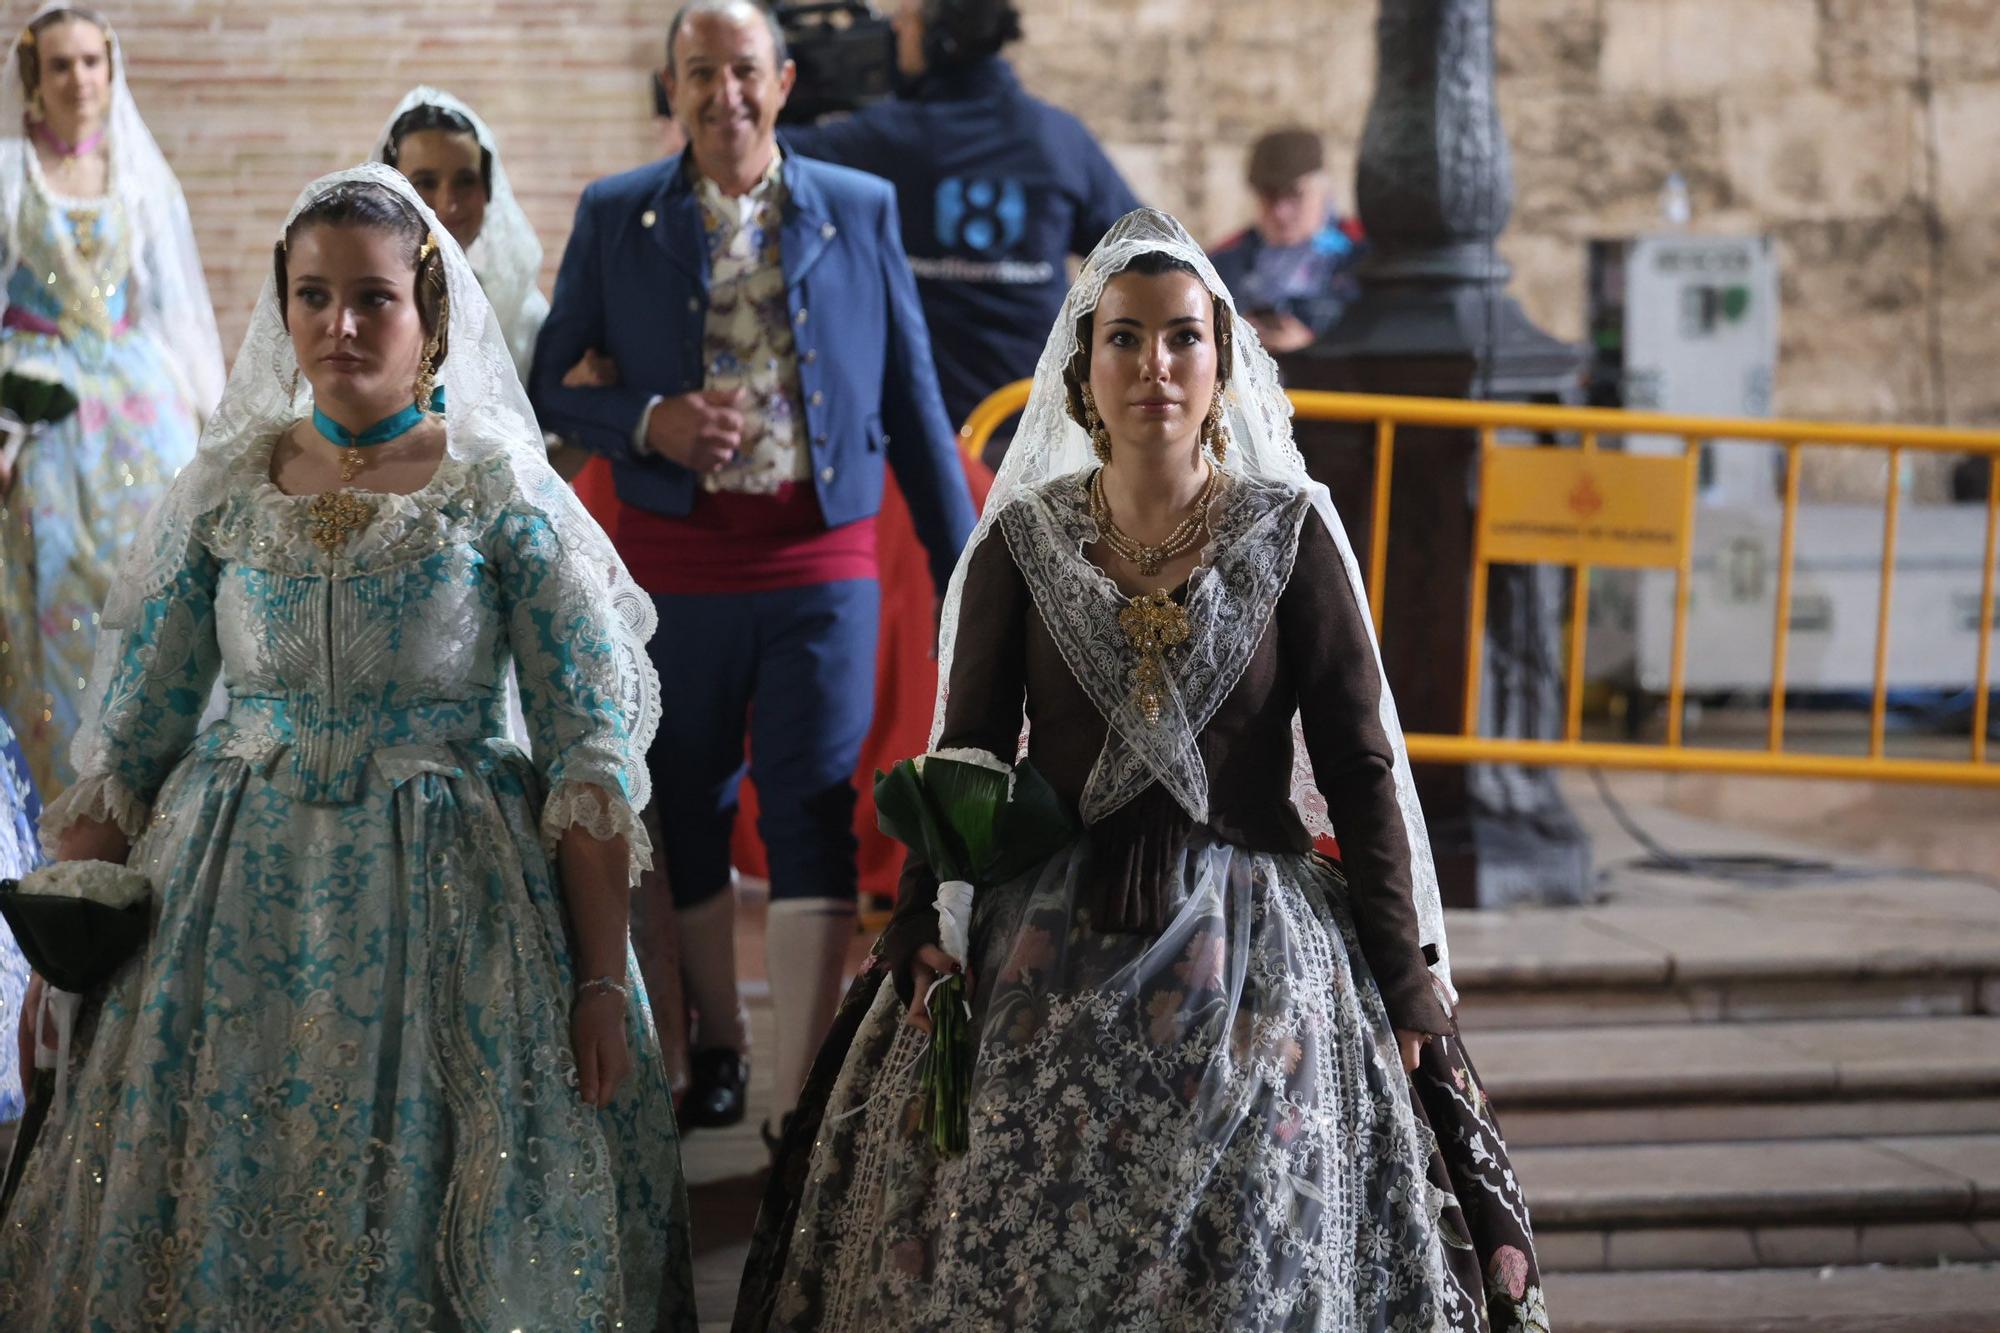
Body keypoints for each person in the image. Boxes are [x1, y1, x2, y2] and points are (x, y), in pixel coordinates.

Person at [736, 210, 1547, 1332]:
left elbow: (1357, 765)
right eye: (1123, 338)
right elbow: (968, 750)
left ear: (1221, 363)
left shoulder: (1289, 531)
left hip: (1254, 947)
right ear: (1082, 369)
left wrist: (1405, 974)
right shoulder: (1023, 537)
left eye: (1179, 339)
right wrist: (928, 913)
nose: (1152, 367)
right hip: (1049, 934)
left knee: (1248, 1241)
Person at [0, 165, 695, 1329]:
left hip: (458, 903)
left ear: (428, 315)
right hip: (224, 901)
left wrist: (590, 978)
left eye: (372, 297)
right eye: (312, 296)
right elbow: (133, 733)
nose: (339, 324)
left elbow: (585, 755)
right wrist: (67, 942)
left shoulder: (494, 495)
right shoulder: (227, 491)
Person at [531, 0, 976, 1143]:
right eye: (698, 73)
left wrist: (970, 568)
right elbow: (545, 384)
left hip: (819, 555)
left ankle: (796, 1091)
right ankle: (715, 1049)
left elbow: (912, 405)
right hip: (672, 559)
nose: (722, 93)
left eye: (743, 71)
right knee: (684, 803)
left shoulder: (859, 210)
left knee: (812, 802)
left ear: (781, 83)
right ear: (670, 89)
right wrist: (649, 421)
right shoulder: (615, 213)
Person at [0, 4, 224, 797]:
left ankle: (149, 786)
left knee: (151, 584)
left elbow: (177, 308)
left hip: (138, 404)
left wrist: (218, 428)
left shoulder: (140, 178)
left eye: (91, 61)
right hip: (39, 413)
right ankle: (61, 792)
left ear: (110, 68)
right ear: (34, 78)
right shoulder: (6, 173)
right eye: (59, 64)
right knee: (56, 589)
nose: (78, 79)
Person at [782, 0, 1140, 432]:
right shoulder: (1057, 138)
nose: (894, 30)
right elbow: (1152, 254)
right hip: (1041, 425)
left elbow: (759, 156)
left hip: (927, 434)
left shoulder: (889, 138)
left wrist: (785, 96)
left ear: (940, 37)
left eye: (906, 20)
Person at [1207, 126, 1365, 354]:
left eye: (1295, 194)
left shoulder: (1364, 254)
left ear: (1324, 189)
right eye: (1269, 196)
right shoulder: (1223, 263)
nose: (1281, 212)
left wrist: (1313, 346)